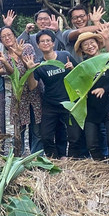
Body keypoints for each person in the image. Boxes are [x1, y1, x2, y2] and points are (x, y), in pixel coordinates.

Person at [24, 29, 83, 158]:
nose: (45, 43)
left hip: (69, 102)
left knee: (74, 136)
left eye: (48, 41)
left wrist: (72, 69)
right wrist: (29, 71)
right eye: (42, 41)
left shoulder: (65, 55)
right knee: (46, 136)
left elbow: (81, 74)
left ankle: (71, 159)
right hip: (50, 104)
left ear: (53, 43)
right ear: (38, 45)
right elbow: (33, 86)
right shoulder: (39, 64)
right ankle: (55, 159)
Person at [0, 25, 43, 154]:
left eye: (9, 35)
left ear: (15, 36)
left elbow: (30, 67)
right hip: (18, 96)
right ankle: (18, 154)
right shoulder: (3, 56)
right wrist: (5, 62)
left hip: (33, 92)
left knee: (36, 128)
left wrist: (20, 55)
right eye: (3, 37)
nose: (7, 38)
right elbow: (11, 73)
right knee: (20, 127)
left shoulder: (27, 47)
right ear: (1, 41)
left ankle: (36, 155)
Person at [74, 32, 109, 160]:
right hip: (90, 108)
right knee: (91, 143)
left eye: (92, 43)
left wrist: (104, 88)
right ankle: (100, 165)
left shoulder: (108, 60)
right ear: (81, 49)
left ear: (98, 44)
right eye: (85, 45)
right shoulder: (82, 66)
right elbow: (79, 85)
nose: (89, 46)